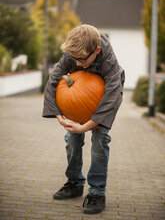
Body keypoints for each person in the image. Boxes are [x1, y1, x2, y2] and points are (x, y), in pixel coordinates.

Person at [42, 24, 125, 214]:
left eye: (81, 60)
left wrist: (86, 126)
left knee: (100, 141)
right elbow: (52, 82)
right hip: (77, 98)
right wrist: (59, 116)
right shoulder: (74, 54)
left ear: (96, 51)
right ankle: (74, 182)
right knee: (71, 139)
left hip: (102, 100)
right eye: (74, 59)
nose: (77, 64)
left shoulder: (109, 61)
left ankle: (97, 191)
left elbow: (112, 97)